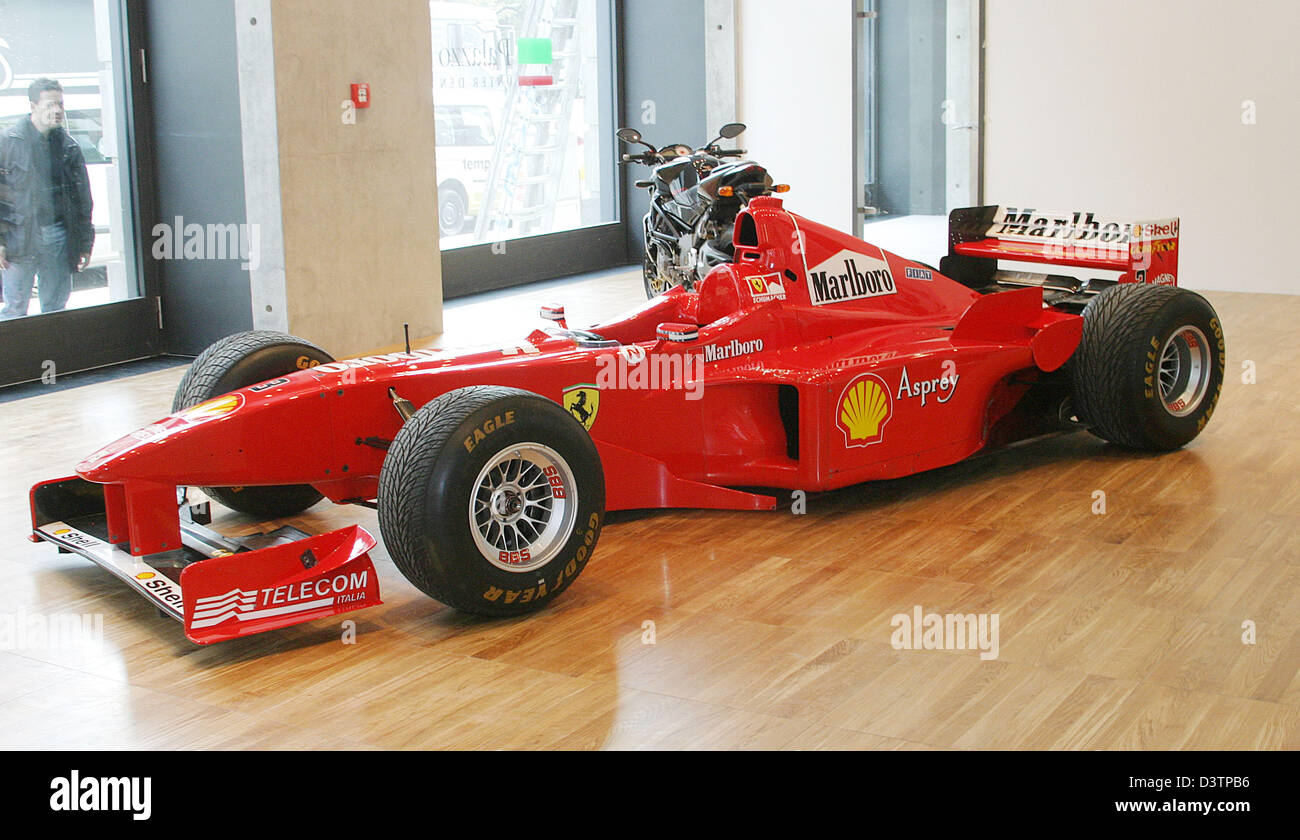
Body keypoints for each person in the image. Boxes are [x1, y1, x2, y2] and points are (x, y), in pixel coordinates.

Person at [0, 77, 94, 319]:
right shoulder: (8, 143)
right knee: (14, 308)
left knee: (55, 309)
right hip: (18, 237)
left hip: (57, 233)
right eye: (50, 104)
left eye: (60, 104)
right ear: (33, 106)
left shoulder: (68, 146)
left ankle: (53, 355)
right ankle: (14, 356)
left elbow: (82, 200)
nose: (57, 110)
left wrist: (85, 242)